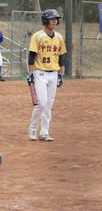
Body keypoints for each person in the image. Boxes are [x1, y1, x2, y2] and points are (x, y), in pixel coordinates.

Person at [27, 9, 66, 141]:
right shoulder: (37, 36)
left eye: (56, 19)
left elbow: (61, 57)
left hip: (54, 74)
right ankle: (32, 129)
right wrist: (30, 73)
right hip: (40, 73)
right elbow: (31, 55)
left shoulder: (59, 37)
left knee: (48, 105)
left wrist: (60, 74)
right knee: (42, 103)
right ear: (45, 21)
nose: (55, 21)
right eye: (52, 19)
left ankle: (44, 132)